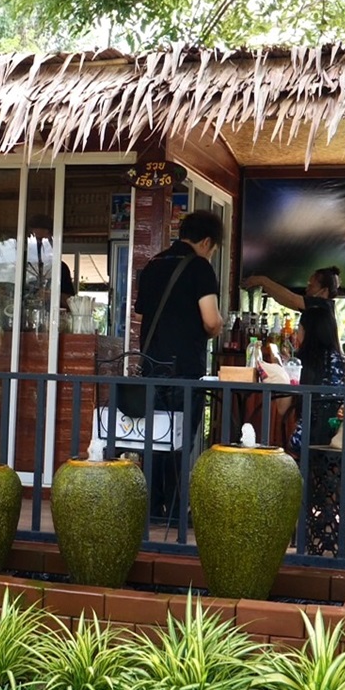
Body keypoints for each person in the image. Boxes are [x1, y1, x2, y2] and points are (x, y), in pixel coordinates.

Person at [132, 209, 224, 520]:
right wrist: (218, 326)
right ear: (207, 242)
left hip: (151, 367)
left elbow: (142, 312)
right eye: (213, 249)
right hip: (184, 369)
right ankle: (174, 510)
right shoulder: (200, 267)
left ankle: (150, 506)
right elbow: (211, 320)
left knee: (153, 438)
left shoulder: (153, 264)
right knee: (179, 440)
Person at [287, 304, 345, 453]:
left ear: (308, 332)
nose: (297, 333)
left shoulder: (302, 362)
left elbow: (284, 407)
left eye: (299, 329)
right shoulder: (342, 361)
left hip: (306, 438)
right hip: (338, 436)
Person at [243, 265, 341, 313]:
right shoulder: (314, 308)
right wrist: (265, 286)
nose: (307, 289)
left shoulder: (322, 305)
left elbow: (292, 298)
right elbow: (283, 300)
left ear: (324, 291)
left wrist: (263, 280)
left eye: (311, 286)